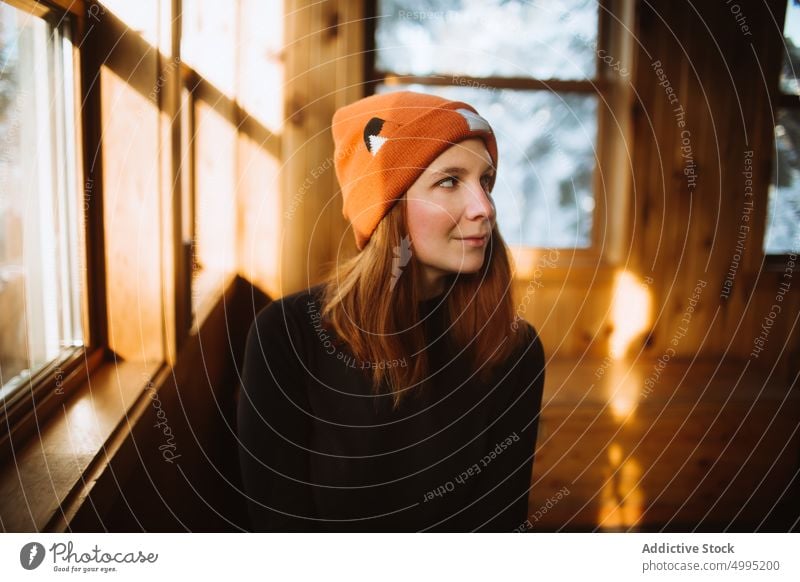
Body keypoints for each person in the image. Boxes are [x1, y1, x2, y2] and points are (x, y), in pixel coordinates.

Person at [237, 90, 546, 532]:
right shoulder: (286, 336)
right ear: (387, 205)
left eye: (486, 182)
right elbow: (277, 527)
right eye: (449, 181)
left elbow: (497, 527)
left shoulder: (512, 349)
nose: (484, 208)